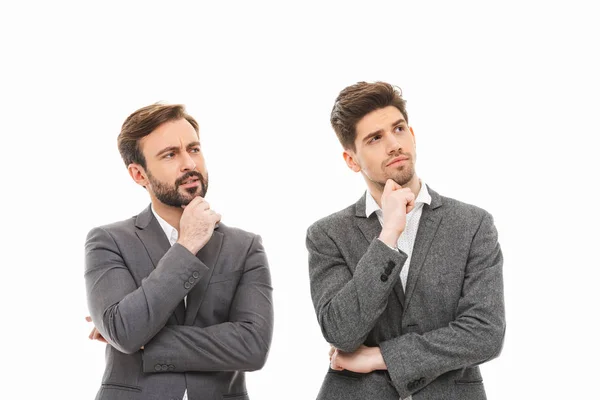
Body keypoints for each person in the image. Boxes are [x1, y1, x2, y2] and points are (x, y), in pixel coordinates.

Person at [306, 82, 505, 400]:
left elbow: (485, 334)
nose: (393, 144)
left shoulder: (473, 224)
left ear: (412, 134)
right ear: (351, 160)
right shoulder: (327, 234)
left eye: (398, 129)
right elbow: (341, 332)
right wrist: (388, 236)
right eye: (375, 138)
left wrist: (379, 357)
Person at [84, 103, 273, 400]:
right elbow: (124, 330)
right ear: (138, 174)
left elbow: (253, 347)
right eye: (170, 154)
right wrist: (187, 245)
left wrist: (140, 341)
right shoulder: (108, 241)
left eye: (194, 149)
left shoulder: (246, 246)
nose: (189, 164)